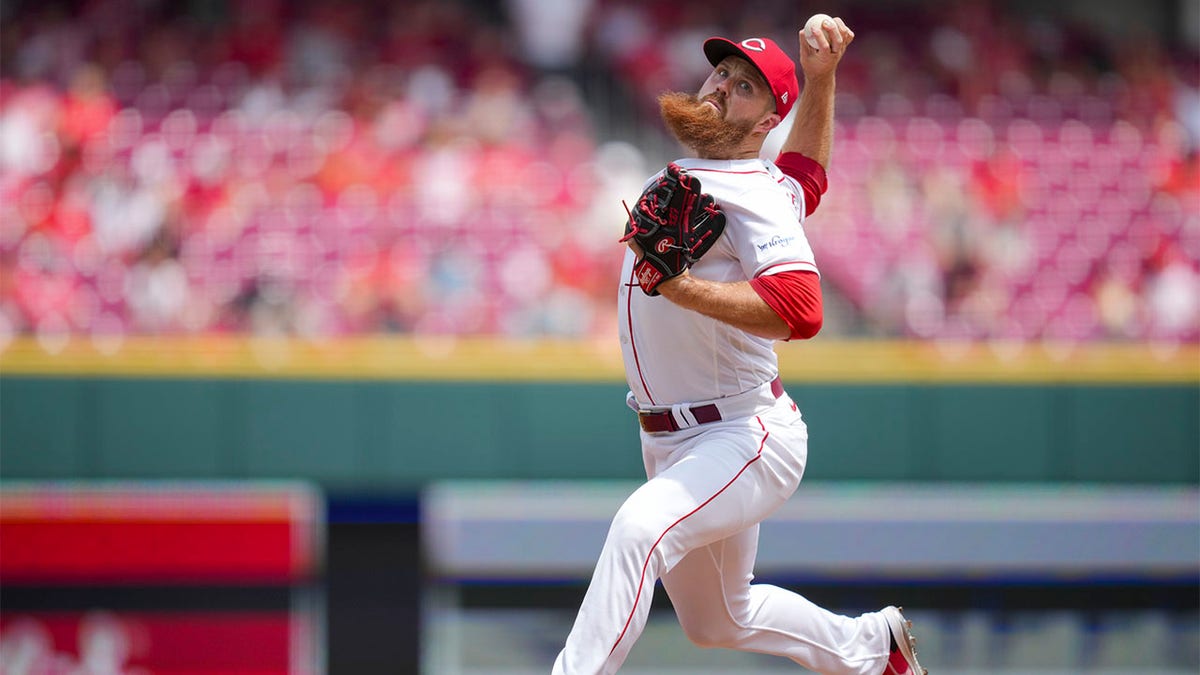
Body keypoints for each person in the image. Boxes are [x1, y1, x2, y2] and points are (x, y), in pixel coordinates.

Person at [551, 17, 927, 675]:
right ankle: (873, 645)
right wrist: (822, 79)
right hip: (676, 437)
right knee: (718, 619)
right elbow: (805, 176)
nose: (721, 87)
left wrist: (684, 288)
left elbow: (801, 310)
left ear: (763, 122)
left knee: (639, 532)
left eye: (745, 87)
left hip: (740, 433)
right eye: (722, 73)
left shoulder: (747, 189)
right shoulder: (749, 182)